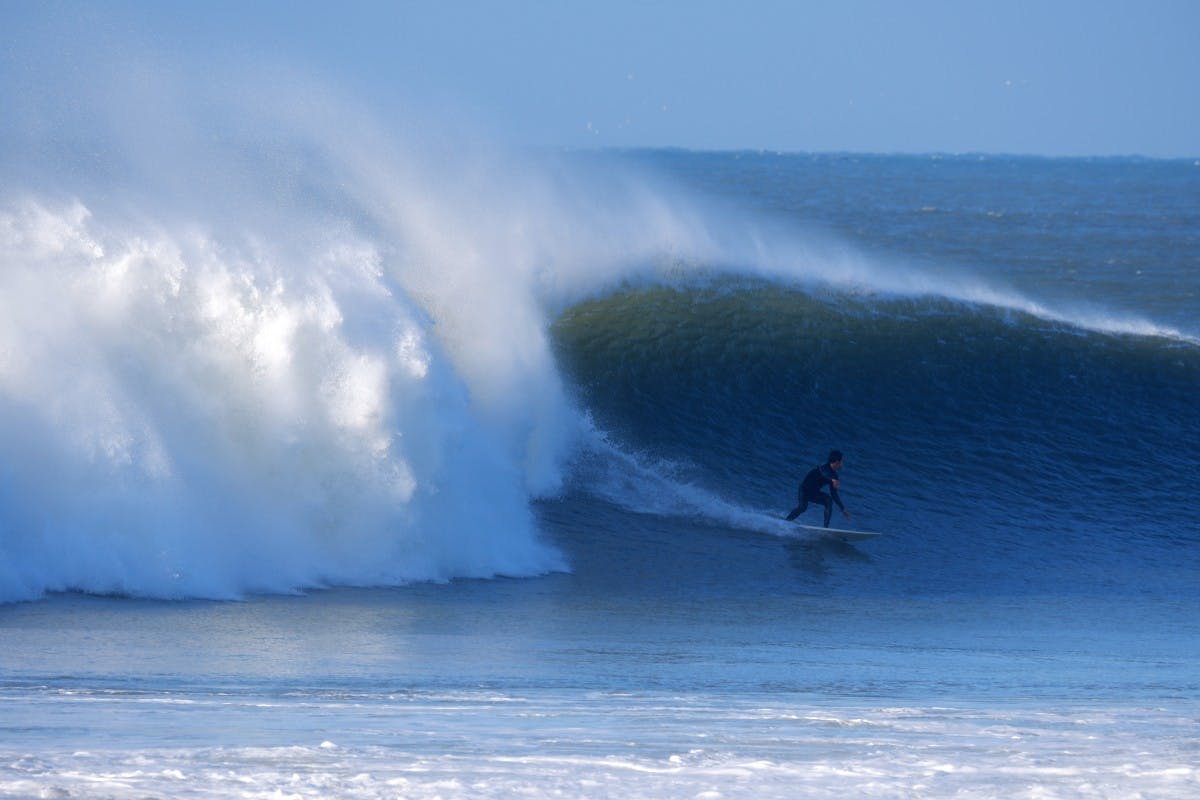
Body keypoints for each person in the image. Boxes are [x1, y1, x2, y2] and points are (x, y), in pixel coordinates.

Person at [785, 450, 852, 528]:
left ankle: (826, 528)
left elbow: (834, 493)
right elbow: (823, 474)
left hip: (813, 493)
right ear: (837, 462)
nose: (842, 463)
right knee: (802, 507)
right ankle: (786, 521)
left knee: (828, 500)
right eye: (842, 461)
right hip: (804, 490)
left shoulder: (835, 476)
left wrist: (842, 508)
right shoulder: (823, 467)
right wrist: (831, 480)